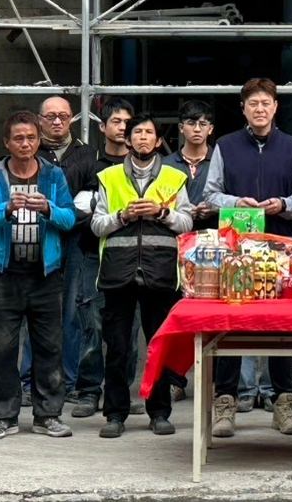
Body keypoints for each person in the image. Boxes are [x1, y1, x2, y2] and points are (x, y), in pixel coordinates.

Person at [204, 78, 292, 437]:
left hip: (280, 251)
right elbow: (211, 194)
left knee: (280, 326)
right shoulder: (226, 146)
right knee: (231, 324)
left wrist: (284, 204)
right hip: (236, 252)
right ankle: (225, 402)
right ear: (244, 109)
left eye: (266, 103)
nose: (260, 109)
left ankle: (283, 402)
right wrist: (236, 202)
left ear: (276, 107)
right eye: (253, 104)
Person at [0, 110, 77, 440]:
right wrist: (5, 209)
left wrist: (47, 208)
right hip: (4, 273)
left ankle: (48, 415)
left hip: (46, 273)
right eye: (18, 138)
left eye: (31, 137)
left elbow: (69, 219)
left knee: (49, 347)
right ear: (6, 142)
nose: (25, 143)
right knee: (0, 349)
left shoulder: (53, 174)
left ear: (39, 140)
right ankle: (4, 416)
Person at [90, 112, 194, 438]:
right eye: (137, 132)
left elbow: (187, 222)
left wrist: (161, 212)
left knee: (158, 346)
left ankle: (159, 412)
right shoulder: (108, 177)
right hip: (117, 273)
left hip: (160, 272)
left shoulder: (175, 177)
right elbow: (96, 224)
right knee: (117, 348)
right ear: (127, 139)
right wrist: (122, 216)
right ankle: (115, 414)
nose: (143, 138)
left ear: (158, 140)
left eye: (149, 133)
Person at [70, 97, 138, 418]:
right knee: (92, 325)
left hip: (132, 256)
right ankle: (88, 391)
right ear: (103, 127)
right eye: (116, 121)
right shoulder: (87, 163)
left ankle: (121, 392)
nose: (122, 128)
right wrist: (95, 218)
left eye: (127, 122)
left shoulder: (142, 166)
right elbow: (67, 208)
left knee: (129, 329)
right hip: (91, 254)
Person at [35, 96, 97, 401]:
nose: (57, 121)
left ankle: (69, 381)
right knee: (35, 310)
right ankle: (30, 380)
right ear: (40, 120)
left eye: (63, 116)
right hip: (38, 237)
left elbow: (91, 200)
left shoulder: (87, 154)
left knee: (73, 312)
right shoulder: (31, 152)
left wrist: (64, 214)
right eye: (50, 116)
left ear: (71, 118)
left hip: (76, 240)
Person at [167, 99, 218, 233]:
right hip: (174, 236)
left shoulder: (221, 162)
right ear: (181, 128)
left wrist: (214, 207)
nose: (197, 129)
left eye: (203, 124)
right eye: (191, 123)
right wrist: (182, 209)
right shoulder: (165, 165)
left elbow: (233, 198)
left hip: (213, 236)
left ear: (210, 129)